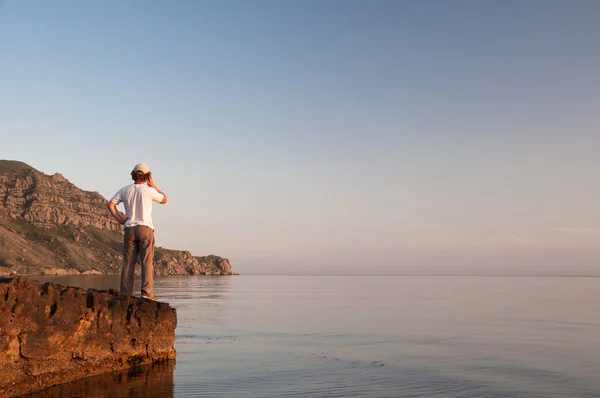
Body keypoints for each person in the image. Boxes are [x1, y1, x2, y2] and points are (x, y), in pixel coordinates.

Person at [107, 163, 167, 300]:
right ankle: (146, 294)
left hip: (129, 228)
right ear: (147, 177)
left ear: (133, 175)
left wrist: (120, 219)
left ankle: (125, 294)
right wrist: (153, 186)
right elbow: (164, 199)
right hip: (145, 228)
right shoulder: (149, 191)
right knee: (146, 262)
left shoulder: (124, 190)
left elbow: (110, 204)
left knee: (128, 262)